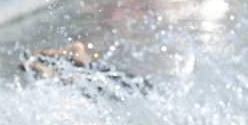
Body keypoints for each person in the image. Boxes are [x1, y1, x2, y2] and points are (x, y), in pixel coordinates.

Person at [20, 41, 153, 97]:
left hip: (143, 90)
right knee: (105, 86)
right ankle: (79, 58)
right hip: (144, 93)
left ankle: (53, 72)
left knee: (100, 83)